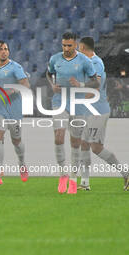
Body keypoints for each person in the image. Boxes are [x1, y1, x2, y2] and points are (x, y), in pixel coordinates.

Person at [46, 32, 99, 194]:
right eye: (64, 45)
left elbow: (95, 80)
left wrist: (80, 84)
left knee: (75, 142)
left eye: (69, 45)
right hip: (59, 102)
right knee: (58, 136)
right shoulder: (55, 59)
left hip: (78, 104)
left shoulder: (84, 60)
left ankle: (74, 179)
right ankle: (63, 175)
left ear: (75, 45)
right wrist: (52, 85)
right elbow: (48, 73)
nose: (66, 48)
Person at [73, 37, 128, 191]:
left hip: (97, 111)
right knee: (84, 143)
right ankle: (84, 182)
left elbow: (94, 91)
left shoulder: (95, 63)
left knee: (96, 147)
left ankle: (126, 173)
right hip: (90, 111)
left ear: (83, 48)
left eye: (78, 48)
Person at [0, 40, 31, 185]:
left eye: (6, 49)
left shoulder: (15, 67)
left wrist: (13, 89)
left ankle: (22, 163)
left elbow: (26, 84)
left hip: (14, 110)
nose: (4, 51)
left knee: (16, 140)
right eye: (1, 49)